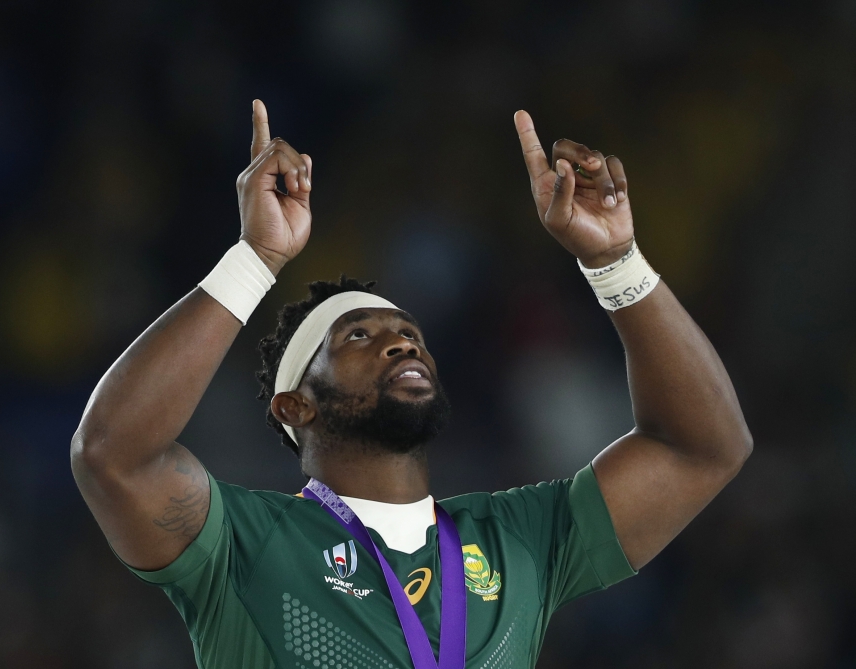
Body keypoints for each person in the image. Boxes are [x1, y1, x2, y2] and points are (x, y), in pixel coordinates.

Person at [71, 99, 752, 669]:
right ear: (295, 404)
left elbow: (703, 447)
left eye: (410, 334)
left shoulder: (516, 539)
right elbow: (113, 453)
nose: (402, 340)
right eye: (357, 336)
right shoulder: (245, 544)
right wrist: (256, 260)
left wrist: (616, 262)